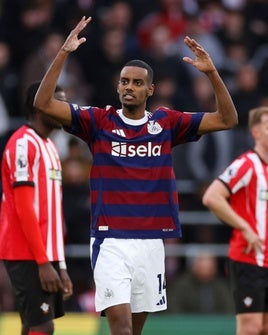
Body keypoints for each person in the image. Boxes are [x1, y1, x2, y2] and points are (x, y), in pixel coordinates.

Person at [34, 16, 238, 335]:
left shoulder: (166, 124)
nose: (129, 87)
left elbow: (227, 119)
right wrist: (63, 52)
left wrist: (212, 74)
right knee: (122, 330)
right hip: (110, 238)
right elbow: (43, 104)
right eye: (125, 81)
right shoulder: (98, 122)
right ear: (118, 86)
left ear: (150, 89)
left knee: (136, 331)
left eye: (137, 83)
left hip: (151, 241)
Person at [0, 82, 73, 335]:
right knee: (43, 326)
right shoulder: (23, 144)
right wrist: (43, 262)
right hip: (25, 252)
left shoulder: (51, 148)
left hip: (44, 253)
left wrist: (60, 264)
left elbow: (52, 214)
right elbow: (23, 208)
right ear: (39, 106)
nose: (64, 109)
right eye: (58, 103)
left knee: (31, 323)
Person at [202, 106, 268, 335]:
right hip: (249, 258)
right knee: (250, 327)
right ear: (256, 132)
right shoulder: (247, 164)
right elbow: (212, 197)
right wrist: (245, 227)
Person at [167, 251, 234, 314]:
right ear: (194, 266)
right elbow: (174, 307)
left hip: (216, 324)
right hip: (187, 324)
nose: (205, 270)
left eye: (209, 269)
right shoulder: (182, 285)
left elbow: (229, 308)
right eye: (202, 267)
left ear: (214, 268)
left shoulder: (220, 286)